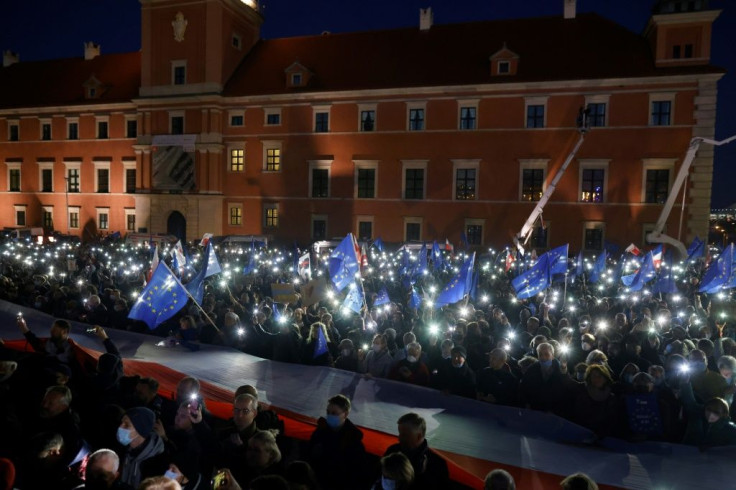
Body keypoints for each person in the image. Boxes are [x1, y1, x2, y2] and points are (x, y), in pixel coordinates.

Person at [307, 394, 368, 490]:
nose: (330, 415)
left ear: (346, 414)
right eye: (328, 412)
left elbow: (357, 472)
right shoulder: (320, 431)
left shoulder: (353, 439)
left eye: (334, 413)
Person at [383, 413, 449, 490]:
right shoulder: (392, 451)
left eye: (404, 435)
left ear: (419, 436)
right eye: (399, 433)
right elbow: (377, 476)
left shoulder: (437, 464)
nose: (399, 438)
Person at [117, 407, 168, 489]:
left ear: (140, 429)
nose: (120, 427)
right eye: (121, 423)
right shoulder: (123, 451)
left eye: (126, 425)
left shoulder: (158, 462)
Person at [519, 343, 575, 417]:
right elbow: (524, 387)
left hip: (555, 412)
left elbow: (567, 385)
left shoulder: (560, 368)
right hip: (535, 410)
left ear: (552, 355)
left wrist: (564, 370)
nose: (543, 357)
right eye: (540, 354)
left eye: (546, 354)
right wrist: (527, 404)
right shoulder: (532, 369)